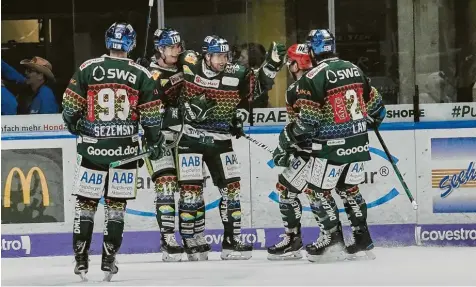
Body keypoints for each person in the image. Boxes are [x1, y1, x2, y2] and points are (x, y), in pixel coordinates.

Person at [62, 22, 166, 281]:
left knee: (85, 204)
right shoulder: (141, 73)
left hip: (92, 149)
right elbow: (152, 117)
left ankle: (80, 259)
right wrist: (154, 142)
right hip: (127, 152)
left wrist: (75, 126)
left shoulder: (88, 68)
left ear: (107, 42)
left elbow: (69, 106)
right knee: (116, 207)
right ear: (130, 44)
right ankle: (109, 259)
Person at [166, 35, 285, 260]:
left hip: (221, 141)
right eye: (217, 56)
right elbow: (167, 75)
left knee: (232, 191)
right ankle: (191, 239)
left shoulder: (236, 72)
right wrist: (185, 109)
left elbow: (256, 88)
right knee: (190, 193)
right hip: (190, 139)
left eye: (225, 55)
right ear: (206, 55)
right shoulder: (189, 61)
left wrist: (272, 65)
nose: (222, 60)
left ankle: (232, 241)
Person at [272, 29, 386, 263]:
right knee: (350, 189)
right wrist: (371, 121)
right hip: (358, 143)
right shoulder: (353, 68)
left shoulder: (312, 77)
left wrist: (285, 140)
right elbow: (377, 107)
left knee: (316, 191)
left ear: (312, 50)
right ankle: (362, 239)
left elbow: (308, 122)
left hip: (330, 147)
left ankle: (332, 240)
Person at [266, 43, 315, 260]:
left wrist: (286, 144)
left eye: (290, 62)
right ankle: (343, 238)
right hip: (329, 148)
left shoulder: (299, 88)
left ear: (297, 63)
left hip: (312, 152)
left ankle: (293, 239)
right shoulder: (322, 79)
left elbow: (305, 124)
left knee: (286, 191)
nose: (288, 66)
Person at [143, 27, 186, 262]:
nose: (176, 52)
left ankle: (192, 236)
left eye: (178, 47)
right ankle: (168, 238)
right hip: (158, 137)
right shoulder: (148, 73)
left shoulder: (185, 67)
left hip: (185, 136)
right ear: (160, 49)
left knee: (191, 189)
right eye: (172, 47)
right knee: (166, 184)